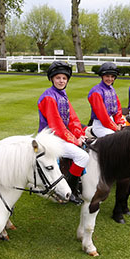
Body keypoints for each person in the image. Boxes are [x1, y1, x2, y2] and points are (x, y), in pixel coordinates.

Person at [37, 61, 89, 204]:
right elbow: (56, 126)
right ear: (52, 79)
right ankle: (69, 191)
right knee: (83, 157)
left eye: (64, 78)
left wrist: (79, 133)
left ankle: (74, 186)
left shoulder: (62, 95)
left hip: (59, 137)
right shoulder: (49, 97)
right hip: (50, 139)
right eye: (58, 78)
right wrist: (75, 140)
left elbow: (72, 118)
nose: (61, 81)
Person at [87, 62, 126, 138]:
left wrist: (119, 122)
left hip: (111, 122)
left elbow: (118, 107)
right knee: (117, 140)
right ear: (102, 76)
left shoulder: (111, 89)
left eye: (112, 77)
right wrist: (115, 127)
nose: (110, 79)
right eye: (107, 76)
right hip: (100, 125)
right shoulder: (96, 92)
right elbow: (103, 116)